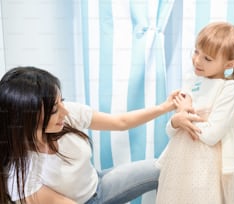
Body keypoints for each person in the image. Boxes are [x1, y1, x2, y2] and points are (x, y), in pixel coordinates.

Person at [0, 66, 181, 204]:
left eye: (61, 101)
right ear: (28, 118)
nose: (64, 111)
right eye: (55, 109)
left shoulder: (65, 115)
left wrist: (166, 106)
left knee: (164, 168)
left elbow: (120, 122)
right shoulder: (20, 176)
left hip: (98, 181)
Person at [155, 21, 234, 204]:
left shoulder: (229, 89)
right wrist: (177, 119)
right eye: (196, 51)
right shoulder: (192, 79)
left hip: (207, 164)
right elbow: (171, 131)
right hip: (179, 158)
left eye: (207, 59)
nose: (197, 60)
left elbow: (211, 135)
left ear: (230, 63)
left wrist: (186, 114)